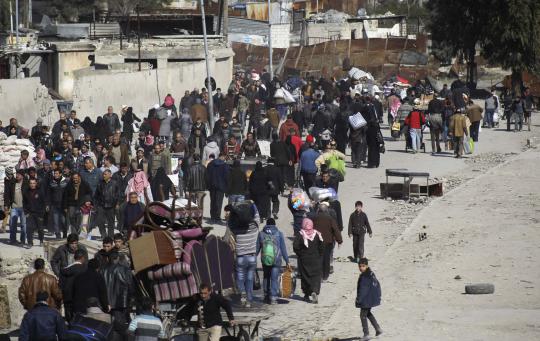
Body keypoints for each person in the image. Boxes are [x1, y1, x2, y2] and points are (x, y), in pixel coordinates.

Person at [102, 252, 135, 337]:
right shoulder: (125, 269)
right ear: (117, 258)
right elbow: (130, 285)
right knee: (120, 328)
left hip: (106, 303)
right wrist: (131, 299)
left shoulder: (103, 270)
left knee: (108, 327)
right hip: (120, 303)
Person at [257, 218, 289, 304]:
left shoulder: (261, 234)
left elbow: (257, 248)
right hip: (276, 260)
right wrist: (287, 260)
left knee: (266, 277)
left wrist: (254, 257)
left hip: (265, 259)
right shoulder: (279, 234)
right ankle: (273, 297)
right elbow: (283, 249)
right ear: (274, 225)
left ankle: (266, 295)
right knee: (274, 278)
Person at [293, 218, 324, 303]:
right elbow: (321, 246)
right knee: (316, 277)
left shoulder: (300, 234)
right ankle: (314, 291)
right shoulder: (317, 234)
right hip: (315, 259)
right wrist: (319, 255)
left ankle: (306, 295)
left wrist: (300, 254)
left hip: (304, 259)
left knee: (305, 276)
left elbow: (295, 247)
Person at [313, 202, 343, 281]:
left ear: (319, 209)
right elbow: (336, 230)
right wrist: (339, 241)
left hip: (317, 241)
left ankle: (319, 274)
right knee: (326, 258)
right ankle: (325, 276)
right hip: (328, 242)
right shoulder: (330, 219)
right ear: (326, 210)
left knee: (319, 257)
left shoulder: (314, 217)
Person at [355, 258, 383, 340]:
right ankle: (378, 329)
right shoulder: (371, 273)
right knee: (368, 313)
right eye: (360, 266)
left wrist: (358, 300)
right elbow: (378, 285)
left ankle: (366, 334)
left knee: (363, 315)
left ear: (367, 266)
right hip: (371, 298)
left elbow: (363, 290)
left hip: (366, 299)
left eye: (363, 266)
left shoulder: (365, 276)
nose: (361, 268)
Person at [59, 249, 87, 321]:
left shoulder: (64, 270)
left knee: (69, 319)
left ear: (74, 258)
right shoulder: (86, 270)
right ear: (83, 258)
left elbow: (61, 285)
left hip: (68, 298)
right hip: (82, 299)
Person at [5, 169, 27, 245]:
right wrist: (6, 205)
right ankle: (13, 240)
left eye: (19, 174)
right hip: (14, 207)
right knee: (12, 224)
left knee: (23, 225)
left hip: (23, 207)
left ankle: (22, 240)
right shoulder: (13, 183)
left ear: (22, 176)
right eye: (17, 174)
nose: (17, 175)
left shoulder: (26, 183)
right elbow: (7, 193)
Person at [95, 169, 119, 238]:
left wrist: (117, 203)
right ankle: (103, 235)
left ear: (110, 175)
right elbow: (96, 195)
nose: (103, 175)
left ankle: (110, 236)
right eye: (103, 174)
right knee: (100, 222)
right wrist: (96, 205)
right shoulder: (100, 183)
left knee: (111, 223)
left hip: (111, 206)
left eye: (105, 174)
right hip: (101, 206)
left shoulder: (115, 183)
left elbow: (118, 195)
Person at [206, 153, 229, 222]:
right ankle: (217, 216)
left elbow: (207, 176)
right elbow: (226, 177)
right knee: (219, 201)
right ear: (223, 156)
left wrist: (208, 185)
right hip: (221, 186)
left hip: (212, 185)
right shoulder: (225, 165)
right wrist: (226, 187)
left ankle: (212, 215)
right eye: (225, 157)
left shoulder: (210, 164)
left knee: (212, 201)